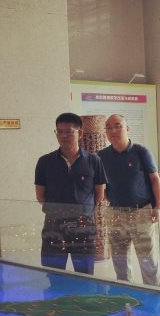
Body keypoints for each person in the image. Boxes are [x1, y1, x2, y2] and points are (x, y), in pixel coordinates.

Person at [35, 112, 107, 275]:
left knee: (85, 275)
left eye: (69, 132)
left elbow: (99, 194)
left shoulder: (94, 161)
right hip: (54, 226)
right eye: (59, 132)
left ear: (80, 133)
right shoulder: (45, 161)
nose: (63, 136)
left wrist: (82, 211)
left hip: (84, 226)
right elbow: (40, 195)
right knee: (54, 273)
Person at [98, 114, 160, 286]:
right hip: (115, 213)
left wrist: (157, 206)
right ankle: (125, 292)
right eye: (108, 127)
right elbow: (100, 183)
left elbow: (155, 179)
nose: (113, 130)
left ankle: (152, 293)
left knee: (147, 260)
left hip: (141, 212)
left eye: (118, 126)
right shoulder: (102, 156)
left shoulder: (141, 152)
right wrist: (108, 199)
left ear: (127, 128)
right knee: (119, 259)